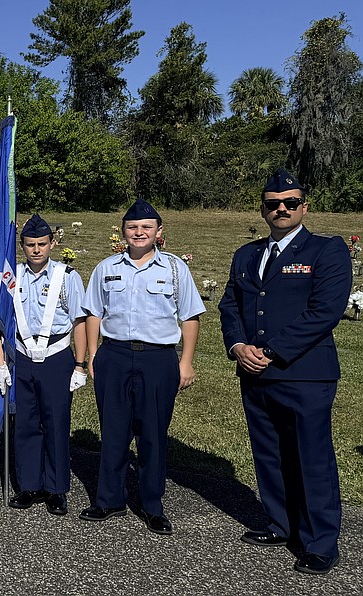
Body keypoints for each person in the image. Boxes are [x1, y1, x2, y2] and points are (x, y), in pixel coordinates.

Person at [218, 168, 351, 575]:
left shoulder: (327, 251)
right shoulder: (247, 254)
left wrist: (272, 351)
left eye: (290, 203)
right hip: (256, 373)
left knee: (312, 460)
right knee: (269, 455)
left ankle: (320, 542)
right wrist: (239, 346)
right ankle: (280, 523)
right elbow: (229, 305)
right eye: (274, 204)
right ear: (263, 209)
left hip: (304, 374)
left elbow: (324, 312)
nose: (281, 209)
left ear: (304, 207)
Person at [80, 198, 203, 534]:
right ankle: (109, 500)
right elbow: (94, 312)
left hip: (158, 359)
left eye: (146, 227)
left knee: (152, 434)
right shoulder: (107, 267)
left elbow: (190, 316)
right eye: (132, 227)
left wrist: (186, 361)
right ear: (123, 232)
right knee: (114, 431)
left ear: (158, 232)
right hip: (114, 355)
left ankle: (152, 505)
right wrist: (93, 354)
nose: (139, 232)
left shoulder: (175, 269)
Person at [0, 214, 87, 515]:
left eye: (42, 244)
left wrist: (79, 364)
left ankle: (56, 488)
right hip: (22, 356)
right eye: (30, 245)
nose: (36, 250)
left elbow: (79, 322)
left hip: (56, 356)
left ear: (52, 244)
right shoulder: (12, 277)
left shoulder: (67, 276)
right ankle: (29, 485)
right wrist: (0, 364)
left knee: (56, 423)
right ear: (22, 246)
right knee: (24, 423)